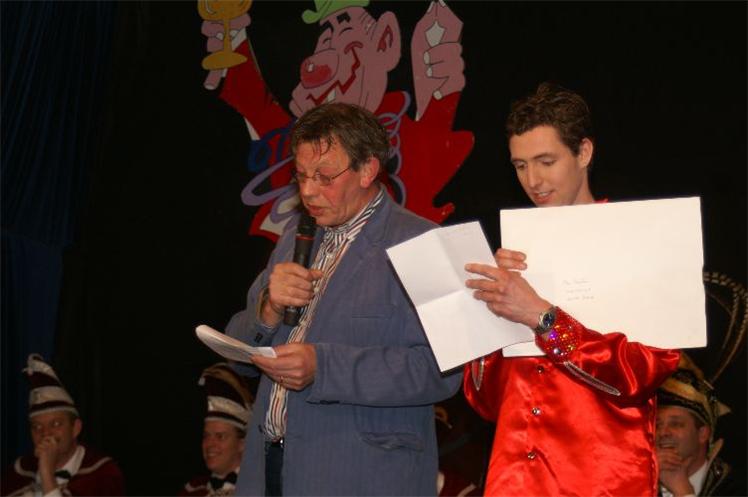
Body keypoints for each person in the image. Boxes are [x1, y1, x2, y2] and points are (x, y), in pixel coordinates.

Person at [224, 102, 461, 496]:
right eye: (301, 175)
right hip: (268, 470)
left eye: (324, 176)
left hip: (360, 475)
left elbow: (442, 371)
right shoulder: (293, 238)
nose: (307, 191)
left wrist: (324, 367)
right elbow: (237, 354)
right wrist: (268, 309)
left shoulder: (425, 243)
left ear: (368, 169)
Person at [461, 82, 681, 496]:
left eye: (546, 161)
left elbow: (642, 373)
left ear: (584, 153)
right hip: (514, 480)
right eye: (520, 165)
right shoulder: (516, 254)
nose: (533, 180)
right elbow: (486, 403)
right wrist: (487, 316)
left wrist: (543, 318)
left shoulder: (640, 240)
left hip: (599, 481)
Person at [0, 354, 125, 497]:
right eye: (37, 427)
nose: (45, 433)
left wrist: (46, 473)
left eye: (56, 424)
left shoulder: (103, 475)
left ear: (76, 428)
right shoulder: (18, 473)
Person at [656, 353, 741, 497]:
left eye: (676, 424)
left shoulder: (736, 486)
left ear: (703, 434)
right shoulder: (634, 481)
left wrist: (682, 490)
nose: (663, 432)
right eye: (657, 425)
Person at [180, 363, 255, 496]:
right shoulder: (192, 490)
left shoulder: (260, 488)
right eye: (206, 436)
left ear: (242, 444)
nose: (210, 444)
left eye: (220, 436)